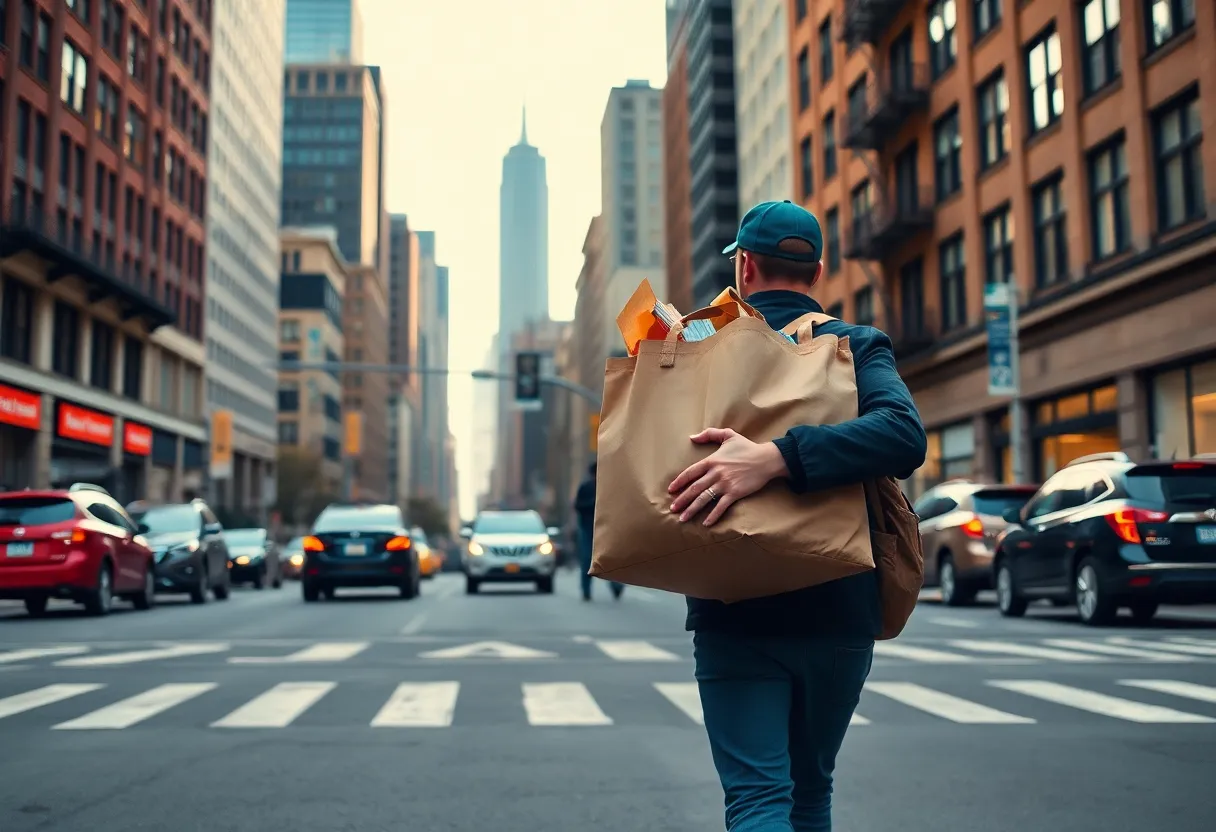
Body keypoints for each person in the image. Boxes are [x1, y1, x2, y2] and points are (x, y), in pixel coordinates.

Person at [666, 200, 927, 832]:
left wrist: (768, 460)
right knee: (810, 791)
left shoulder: (697, 345)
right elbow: (903, 435)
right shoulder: (854, 345)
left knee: (758, 797)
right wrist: (790, 457)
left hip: (733, 605)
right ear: (816, 270)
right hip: (838, 600)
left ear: (744, 266)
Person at [573, 461, 623, 601]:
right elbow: (578, 506)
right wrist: (594, 503)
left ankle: (616, 586)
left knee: (609, 559)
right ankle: (586, 590)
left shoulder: (610, 487)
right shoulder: (586, 487)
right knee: (588, 560)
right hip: (589, 529)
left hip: (607, 529)